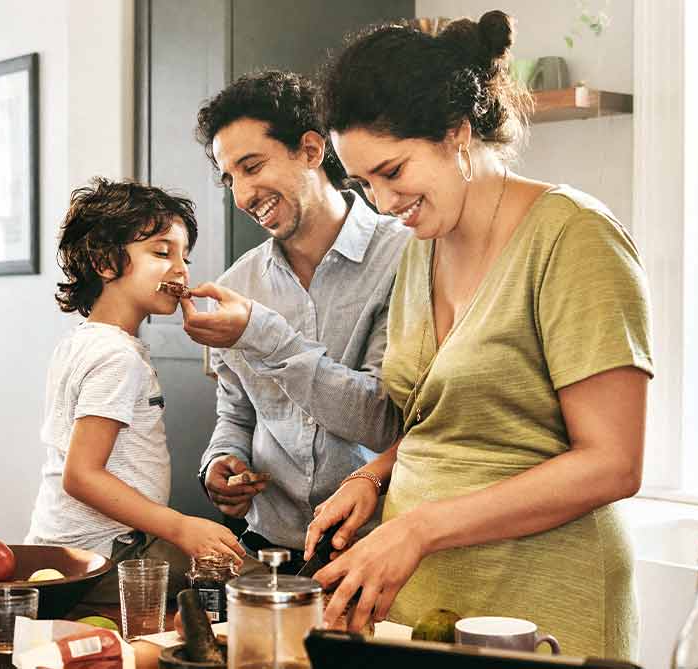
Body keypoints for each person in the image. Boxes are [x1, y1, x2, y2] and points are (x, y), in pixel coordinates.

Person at [302, 10, 654, 659]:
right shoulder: (419, 246)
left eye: (393, 171)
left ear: (457, 134)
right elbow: (454, 419)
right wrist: (374, 479)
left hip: (545, 608)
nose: (381, 203)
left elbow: (614, 461)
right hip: (424, 610)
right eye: (364, 183)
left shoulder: (574, 238)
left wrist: (419, 530)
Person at [178, 70, 411, 570]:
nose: (241, 196)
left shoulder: (405, 258)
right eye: (230, 178)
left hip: (376, 551)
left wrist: (262, 335)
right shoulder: (238, 285)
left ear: (310, 149)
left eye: (252, 165)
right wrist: (220, 465)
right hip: (269, 550)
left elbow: (384, 422)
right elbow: (236, 415)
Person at [28, 178, 242, 594]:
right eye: (162, 252)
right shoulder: (117, 357)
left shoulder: (84, 341)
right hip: (107, 557)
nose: (181, 268)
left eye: (185, 256)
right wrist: (180, 527)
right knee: (250, 586)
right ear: (106, 262)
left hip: (70, 552)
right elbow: (81, 475)